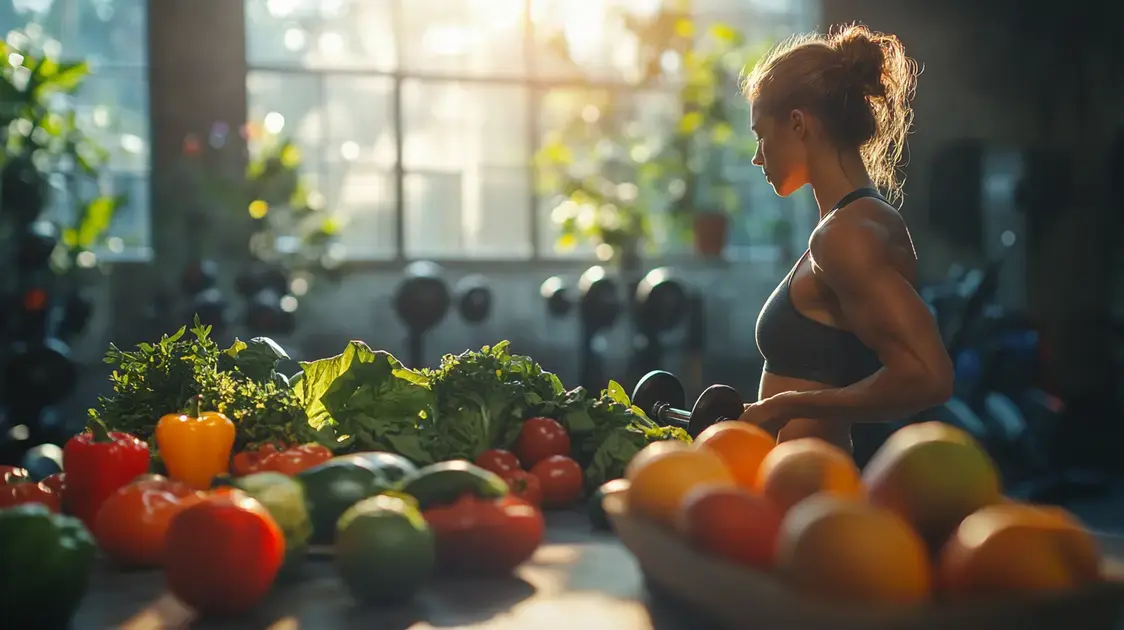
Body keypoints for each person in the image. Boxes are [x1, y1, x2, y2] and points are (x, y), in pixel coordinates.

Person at [737, 23, 954, 455]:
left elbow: (928, 374)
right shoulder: (844, 225)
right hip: (792, 488)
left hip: (815, 489)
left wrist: (789, 406)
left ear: (798, 124)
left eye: (762, 135)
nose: (757, 156)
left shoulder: (846, 234)